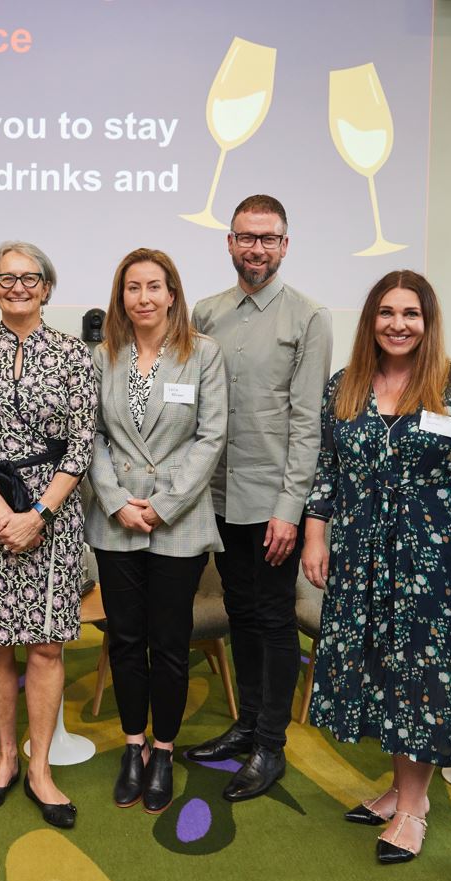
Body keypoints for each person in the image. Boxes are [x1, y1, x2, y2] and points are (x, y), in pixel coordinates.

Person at [300, 270, 451, 864]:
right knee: (382, 667)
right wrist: (316, 532)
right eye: (387, 312)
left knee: (422, 678)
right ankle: (398, 788)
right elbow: (327, 469)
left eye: (411, 313)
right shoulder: (348, 385)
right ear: (371, 320)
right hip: (361, 554)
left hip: (435, 562)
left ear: (429, 320)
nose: (398, 324)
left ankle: (415, 808)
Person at [183, 195, 333, 802]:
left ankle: (271, 744)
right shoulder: (205, 312)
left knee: (273, 620)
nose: (257, 249)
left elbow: (308, 421)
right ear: (229, 242)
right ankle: (246, 723)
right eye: (246, 237)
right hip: (214, 494)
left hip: (272, 500)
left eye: (268, 238)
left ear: (286, 244)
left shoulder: (309, 317)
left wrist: (290, 509)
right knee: (241, 612)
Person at [0, 241, 97, 828]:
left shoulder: (72, 355)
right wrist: (1, 514)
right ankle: (6, 756)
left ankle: (41, 768)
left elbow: (81, 443)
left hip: (53, 516)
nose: (18, 287)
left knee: (47, 644)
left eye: (29, 278)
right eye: (5, 279)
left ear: (48, 287)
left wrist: (38, 514)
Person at [85, 248, 226, 815]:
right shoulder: (102, 357)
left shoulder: (203, 355)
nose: (143, 298)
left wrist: (162, 506)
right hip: (115, 521)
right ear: (121, 296)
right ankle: (132, 746)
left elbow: (210, 437)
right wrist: (118, 502)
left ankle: (163, 751)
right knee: (123, 640)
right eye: (132, 287)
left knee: (168, 644)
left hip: (179, 522)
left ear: (173, 294)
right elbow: (89, 436)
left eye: (154, 287)